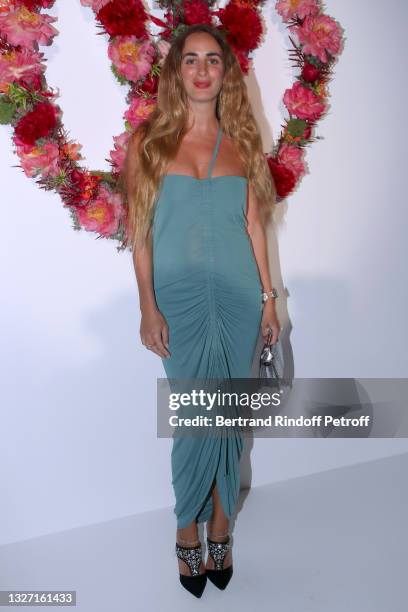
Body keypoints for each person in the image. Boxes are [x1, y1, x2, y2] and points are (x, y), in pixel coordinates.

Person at [123, 23, 281, 597]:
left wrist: (269, 301)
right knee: (194, 420)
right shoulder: (148, 142)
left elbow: (253, 226)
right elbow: (139, 233)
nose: (202, 70)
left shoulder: (243, 142)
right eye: (190, 60)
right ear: (175, 73)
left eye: (213, 60)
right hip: (181, 301)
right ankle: (185, 529)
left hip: (239, 296)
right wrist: (147, 305)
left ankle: (221, 527)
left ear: (226, 73)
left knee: (230, 420)